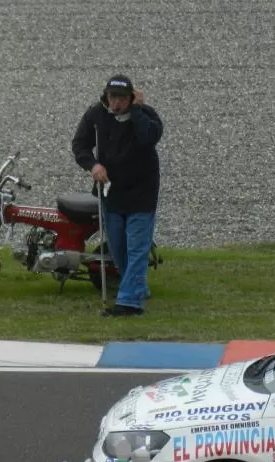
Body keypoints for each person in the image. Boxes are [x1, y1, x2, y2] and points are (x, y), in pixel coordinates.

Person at [72, 74, 163, 317]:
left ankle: (129, 303)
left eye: (122, 98)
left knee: (137, 248)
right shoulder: (96, 115)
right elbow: (80, 146)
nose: (116, 103)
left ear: (131, 98)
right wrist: (93, 166)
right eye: (113, 97)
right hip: (110, 192)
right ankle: (137, 287)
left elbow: (148, 139)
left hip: (142, 193)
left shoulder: (147, 117)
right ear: (106, 96)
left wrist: (137, 111)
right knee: (118, 248)